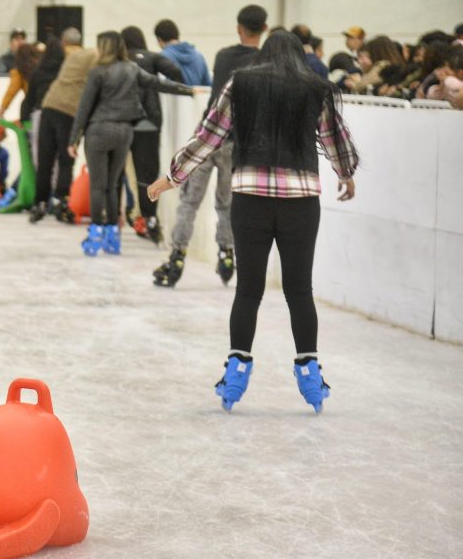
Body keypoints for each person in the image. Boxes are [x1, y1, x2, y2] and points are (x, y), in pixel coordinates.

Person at [148, 30, 360, 414]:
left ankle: (236, 369)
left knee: (248, 290)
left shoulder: (242, 82)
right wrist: (346, 174)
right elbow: (336, 140)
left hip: (250, 199)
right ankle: (310, 371)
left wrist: (172, 177)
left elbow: (208, 136)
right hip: (300, 202)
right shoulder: (315, 88)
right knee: (299, 290)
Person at [153, 4, 267, 288]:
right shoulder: (265, 62)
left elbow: (216, 97)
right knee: (226, 204)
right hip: (237, 143)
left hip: (209, 136)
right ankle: (227, 254)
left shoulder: (224, 56)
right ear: (264, 29)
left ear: (239, 28)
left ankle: (177, 256)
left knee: (189, 201)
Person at [67, 31, 192, 256]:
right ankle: (113, 236)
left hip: (99, 130)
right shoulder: (132, 69)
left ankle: (96, 233)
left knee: (99, 185)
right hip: (124, 131)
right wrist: (187, 90)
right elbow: (157, 83)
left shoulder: (97, 72)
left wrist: (73, 138)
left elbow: (84, 107)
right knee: (113, 184)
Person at [121, 24, 185, 244]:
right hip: (148, 122)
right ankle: (149, 220)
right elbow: (176, 73)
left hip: (121, 123)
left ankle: (113, 220)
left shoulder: (118, 61)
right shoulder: (152, 57)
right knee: (146, 174)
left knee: (116, 174)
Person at [28, 44, 100, 223]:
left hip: (49, 105)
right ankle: (60, 201)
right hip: (69, 111)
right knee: (66, 160)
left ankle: (40, 203)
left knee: (45, 161)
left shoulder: (74, 56)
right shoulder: (97, 56)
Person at [154, 19, 211, 86]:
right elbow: (208, 85)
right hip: (197, 96)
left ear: (159, 39)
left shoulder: (161, 57)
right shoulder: (199, 57)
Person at [0, 43, 39, 117]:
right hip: (48, 107)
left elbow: (11, 92)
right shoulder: (42, 69)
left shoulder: (18, 72)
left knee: (25, 104)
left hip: (32, 109)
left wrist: (0, 113)